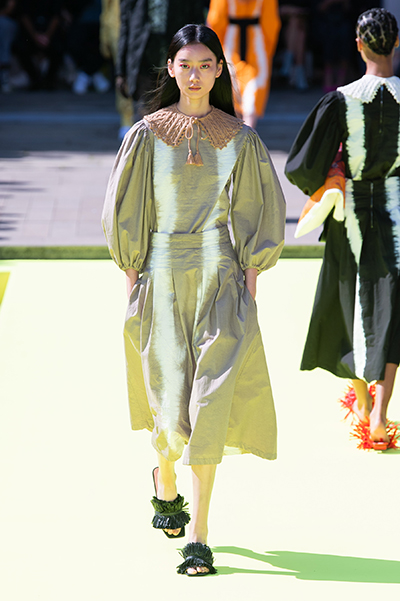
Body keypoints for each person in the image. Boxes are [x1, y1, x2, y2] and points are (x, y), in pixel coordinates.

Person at [102, 24, 285, 575]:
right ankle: (165, 480)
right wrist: (132, 284)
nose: (196, 74)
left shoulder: (241, 139)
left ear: (220, 70)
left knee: (210, 402)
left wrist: (250, 288)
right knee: (168, 406)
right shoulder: (145, 135)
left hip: (220, 282)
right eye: (186, 64)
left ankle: (200, 537)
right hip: (159, 280)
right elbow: (126, 210)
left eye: (207, 64)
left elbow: (257, 212)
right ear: (172, 69)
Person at [285, 8, 400, 449]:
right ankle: (382, 414)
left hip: (351, 210)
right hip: (396, 208)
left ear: (358, 44)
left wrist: (330, 177)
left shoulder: (341, 100)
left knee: (350, 302)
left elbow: (301, 166)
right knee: (391, 308)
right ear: (396, 43)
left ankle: (363, 404)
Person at [207, 0, 281, 128]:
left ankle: (241, 135)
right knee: (252, 94)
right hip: (257, 45)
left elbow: (216, 21)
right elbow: (271, 24)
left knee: (232, 92)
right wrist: (268, 49)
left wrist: (214, 49)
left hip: (230, 43)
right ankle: (246, 135)